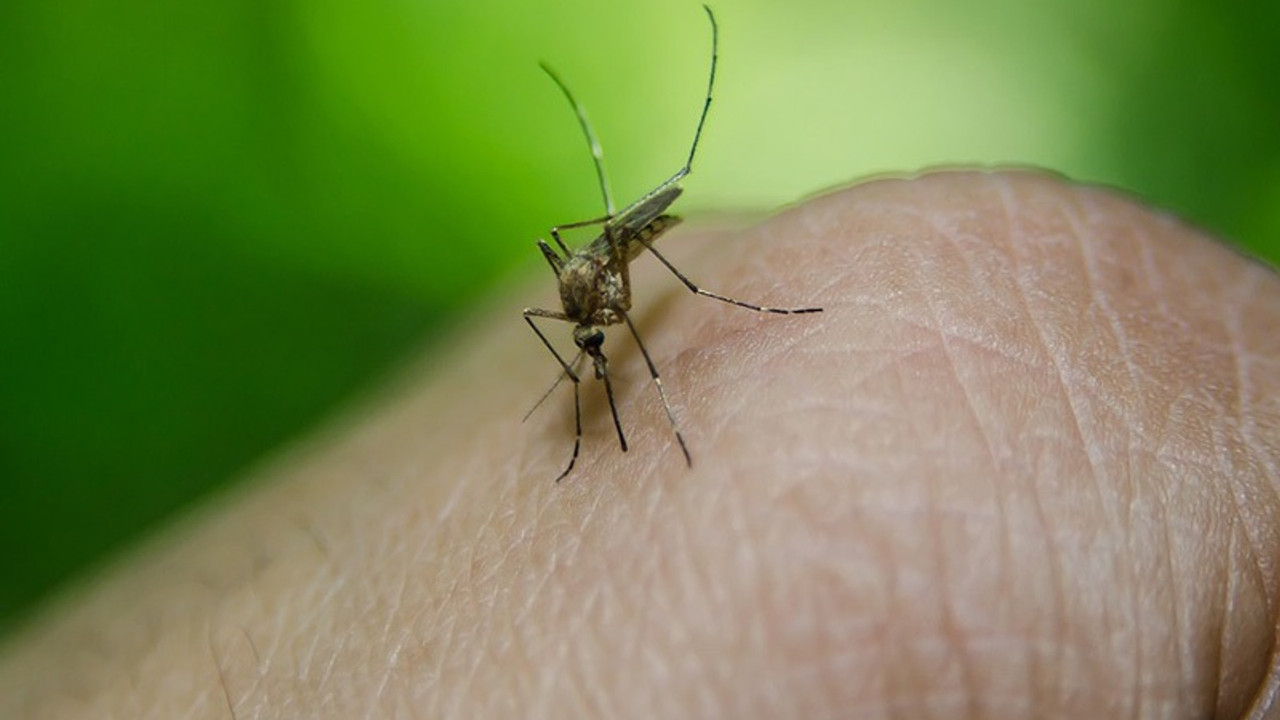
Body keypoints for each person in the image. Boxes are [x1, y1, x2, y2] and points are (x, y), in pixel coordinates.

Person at [2, 170, 1277, 718]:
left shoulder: (610, 276)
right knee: (565, 318)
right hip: (592, 278)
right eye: (587, 321)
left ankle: (714, 325)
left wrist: (649, 320)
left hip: (624, 255)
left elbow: (596, 281)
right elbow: (561, 308)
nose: (585, 321)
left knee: (661, 320)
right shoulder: (569, 308)